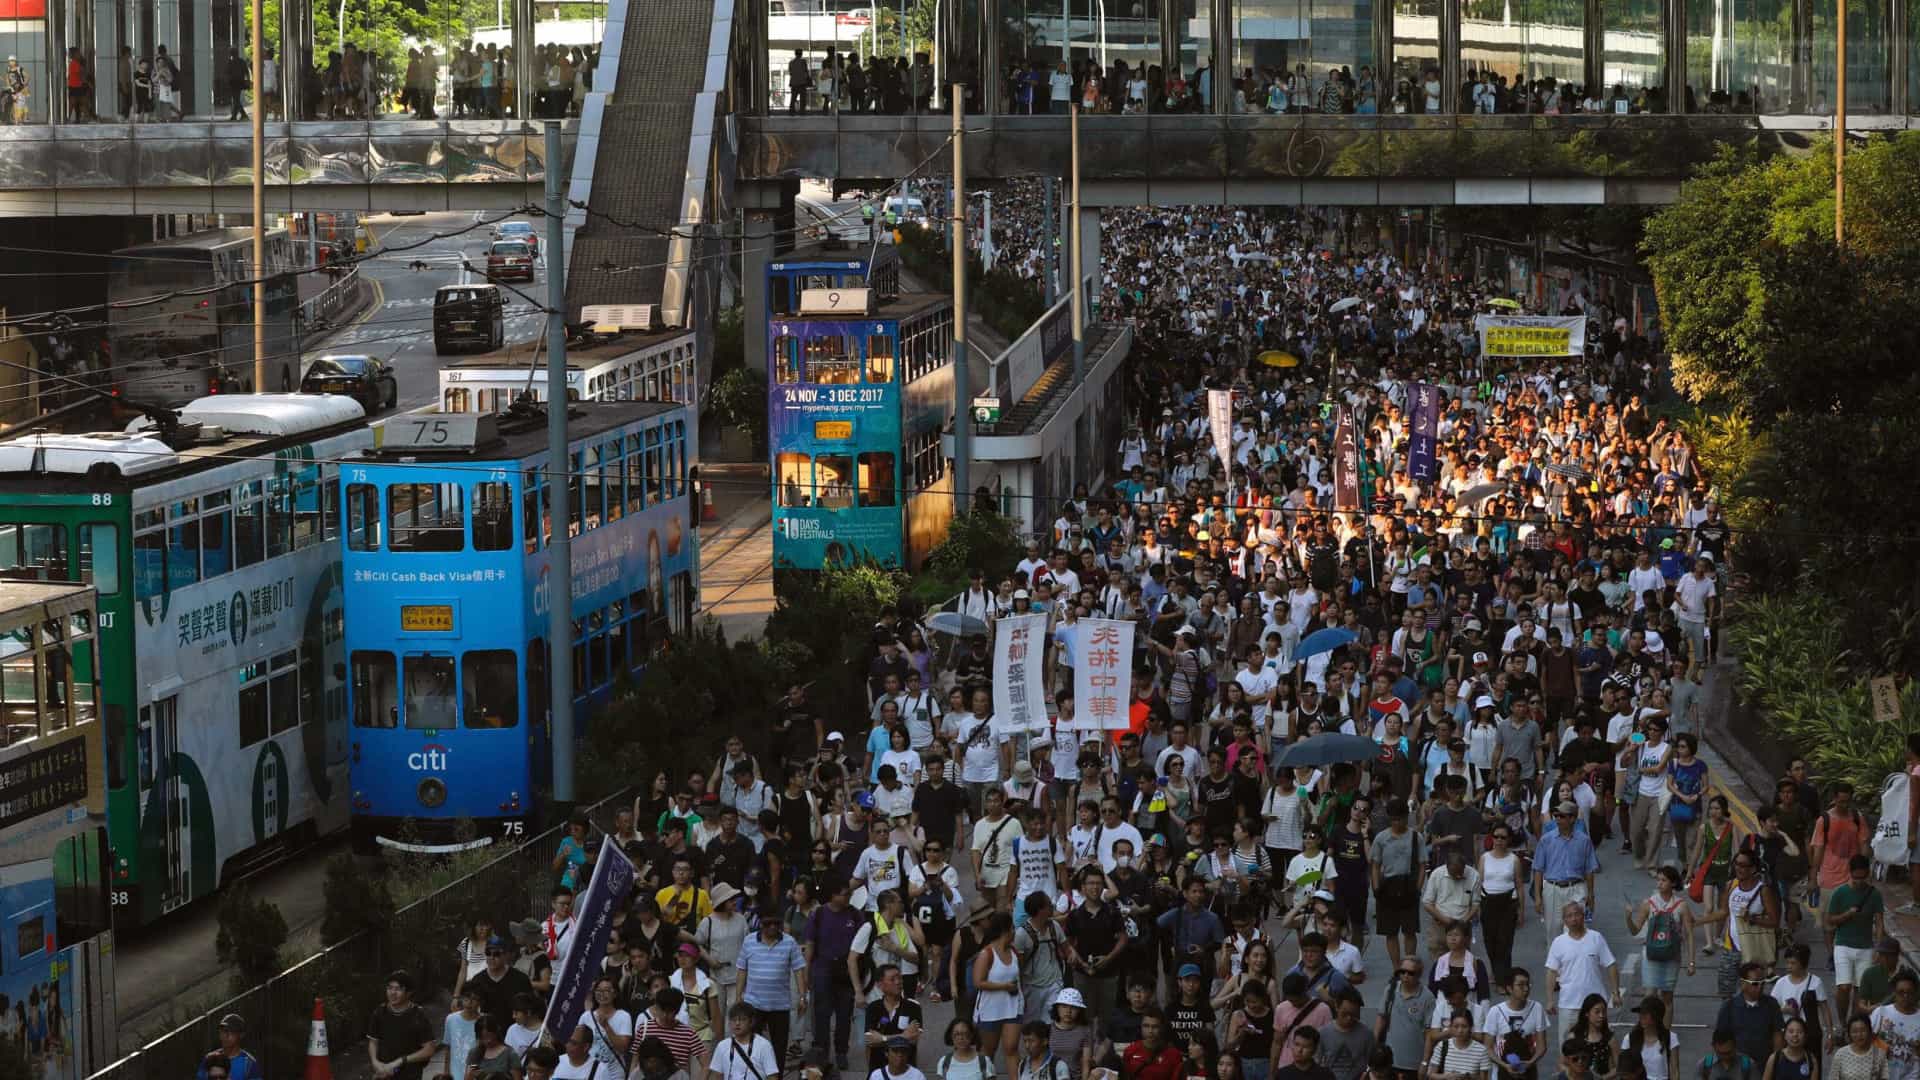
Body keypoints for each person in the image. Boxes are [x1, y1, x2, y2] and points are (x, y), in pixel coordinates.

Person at [736, 904, 807, 1073]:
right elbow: (742, 969)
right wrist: (738, 997)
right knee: (752, 1046)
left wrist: (803, 996)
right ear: (761, 923)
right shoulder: (749, 941)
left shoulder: (789, 942)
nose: (773, 927)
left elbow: (798, 970)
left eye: (777, 923)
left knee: (779, 1049)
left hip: (780, 1005)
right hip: (753, 1004)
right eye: (768, 924)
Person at [1544, 902, 1619, 1048]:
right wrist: (1550, 1000)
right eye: (1569, 916)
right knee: (1567, 1045)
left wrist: (1615, 993)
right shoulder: (1558, 942)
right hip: (1568, 1004)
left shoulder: (1596, 938)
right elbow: (1551, 972)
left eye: (1576, 914)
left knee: (1599, 1042)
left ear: (1583, 916)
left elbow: (1611, 965)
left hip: (1595, 1004)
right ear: (1564, 920)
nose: (1573, 919)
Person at [1625, 867, 1696, 1017]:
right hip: (1651, 956)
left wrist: (1691, 962)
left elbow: (1689, 934)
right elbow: (1635, 931)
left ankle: (1665, 1035)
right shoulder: (1648, 904)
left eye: (1663, 880)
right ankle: (1647, 1031)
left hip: (1672, 957)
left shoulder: (1682, 905)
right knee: (1649, 995)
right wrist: (1628, 918)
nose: (1659, 883)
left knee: (1667, 998)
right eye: (1658, 880)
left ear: (1673, 883)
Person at [1827, 854, 1887, 1020]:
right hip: (1843, 945)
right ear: (1850, 873)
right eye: (1856, 877)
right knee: (1844, 987)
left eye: (1862, 877)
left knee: (1861, 990)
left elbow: (1880, 923)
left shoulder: (1874, 894)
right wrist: (1847, 914)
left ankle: (1854, 1024)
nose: (1859, 881)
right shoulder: (1840, 892)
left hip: (1866, 947)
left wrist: (1879, 948)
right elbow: (1830, 919)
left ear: (1867, 873)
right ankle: (1841, 1023)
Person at [367, 970, 438, 1080]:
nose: (392, 993)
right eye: (390, 988)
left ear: (409, 993)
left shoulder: (418, 1015)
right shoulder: (379, 1012)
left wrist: (400, 1061)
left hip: (410, 1075)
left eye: (398, 989)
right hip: (384, 1074)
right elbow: (373, 1042)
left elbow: (429, 1049)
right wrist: (375, 1062)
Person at [1714, 962, 1786, 1069]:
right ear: (1743, 983)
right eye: (1755, 983)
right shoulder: (1729, 1007)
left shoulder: (1772, 1004)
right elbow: (1721, 1040)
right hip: (1737, 1068)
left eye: (1763, 982)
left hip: (1765, 1066)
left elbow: (1777, 1035)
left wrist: (1776, 1063)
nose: (1760, 986)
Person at [1480, 970, 1547, 1080]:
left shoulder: (1537, 1008)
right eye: (1520, 985)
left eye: (1528, 984)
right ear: (1509, 988)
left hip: (1529, 1072)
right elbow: (1488, 1047)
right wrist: (1505, 1066)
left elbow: (1542, 1046)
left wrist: (1530, 1062)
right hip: (1502, 1073)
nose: (1526, 989)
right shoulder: (1495, 1011)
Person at [708, 1004, 780, 1080]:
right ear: (729, 1022)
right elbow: (718, 1076)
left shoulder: (764, 1046)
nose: (737, 1023)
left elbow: (773, 1077)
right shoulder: (722, 1046)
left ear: (751, 1022)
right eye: (734, 1020)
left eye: (742, 1019)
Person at [1870, 972, 1920, 1080]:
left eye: (1909, 992)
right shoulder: (1881, 1012)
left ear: (1916, 992)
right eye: (1901, 992)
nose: (1905, 996)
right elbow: (1864, 1041)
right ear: (1894, 992)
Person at [1619, 997, 1680, 1080]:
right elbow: (1624, 1069)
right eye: (1640, 1013)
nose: (1641, 1016)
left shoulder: (1671, 1037)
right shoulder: (1629, 1038)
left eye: (1646, 1013)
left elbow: (1674, 1071)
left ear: (1657, 1016)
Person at [1427, 1009, 1490, 1080]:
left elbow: (1484, 1078)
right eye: (1456, 1026)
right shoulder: (1442, 1046)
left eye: (1464, 1026)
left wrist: (1468, 1077)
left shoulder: (1481, 1050)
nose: (1460, 1031)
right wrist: (1447, 1076)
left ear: (1471, 1027)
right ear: (1451, 1027)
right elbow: (1431, 1075)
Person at [197, 1014, 261, 1080]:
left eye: (232, 1032)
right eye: (224, 1031)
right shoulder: (209, 1058)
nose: (226, 1036)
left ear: (241, 1035)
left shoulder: (248, 1063)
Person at [1829, 1015, 1887, 1080]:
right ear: (1849, 1034)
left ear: (1870, 1031)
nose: (1859, 1035)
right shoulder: (1840, 1054)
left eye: (1863, 1030)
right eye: (1854, 1031)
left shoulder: (1880, 1054)